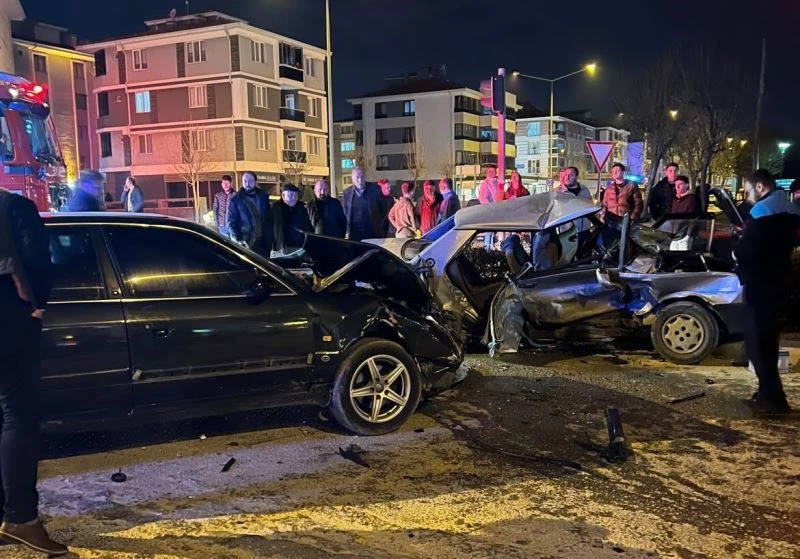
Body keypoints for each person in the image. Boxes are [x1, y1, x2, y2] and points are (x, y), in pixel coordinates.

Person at [0, 188, 68, 556]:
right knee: (19, 417)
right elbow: (40, 261)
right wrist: (39, 304)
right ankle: (21, 520)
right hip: (9, 319)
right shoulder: (14, 206)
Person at [734, 169, 800, 415]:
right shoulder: (789, 208)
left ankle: (773, 400)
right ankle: (768, 395)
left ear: (760, 188)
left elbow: (748, 251)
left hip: (761, 284)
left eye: (749, 190)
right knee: (767, 341)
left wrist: (738, 246)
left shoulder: (762, 214)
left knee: (758, 343)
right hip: (779, 281)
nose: (748, 196)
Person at [227, 171, 273, 257]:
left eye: (250, 181)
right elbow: (231, 222)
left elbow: (269, 219)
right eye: (245, 181)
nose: (247, 183)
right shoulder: (235, 200)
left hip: (264, 242)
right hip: (247, 242)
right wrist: (238, 240)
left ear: (255, 182)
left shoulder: (263, 197)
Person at [342, 168, 386, 241]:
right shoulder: (347, 193)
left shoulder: (375, 189)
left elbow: (383, 209)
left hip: (373, 233)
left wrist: (381, 227)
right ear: (352, 179)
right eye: (357, 177)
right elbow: (345, 212)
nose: (360, 180)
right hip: (354, 234)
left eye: (362, 177)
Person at [271, 183, 313, 255]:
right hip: (280, 248)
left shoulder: (301, 208)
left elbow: (308, 227)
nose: (293, 198)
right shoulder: (275, 208)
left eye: (295, 195)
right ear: (283, 195)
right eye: (290, 195)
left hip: (299, 248)